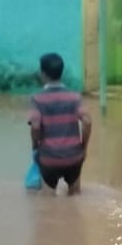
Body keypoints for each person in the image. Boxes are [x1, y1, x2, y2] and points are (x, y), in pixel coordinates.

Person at [28, 53, 92, 195]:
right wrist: (83, 147)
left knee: (48, 202)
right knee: (75, 197)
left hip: (48, 159)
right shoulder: (75, 97)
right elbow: (87, 121)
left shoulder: (37, 99)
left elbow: (35, 126)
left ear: (42, 74)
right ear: (61, 72)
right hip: (74, 157)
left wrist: (35, 148)